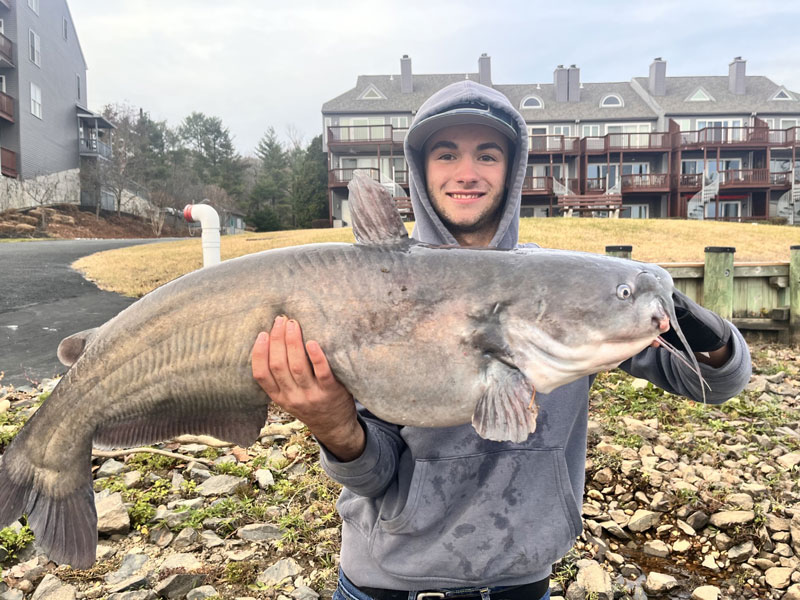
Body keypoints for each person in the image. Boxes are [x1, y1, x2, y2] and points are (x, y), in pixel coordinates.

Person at [251, 81, 752, 600]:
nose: (466, 173)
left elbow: (718, 382)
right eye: (447, 154)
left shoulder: (568, 287)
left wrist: (676, 312)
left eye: (487, 155)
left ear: (513, 169)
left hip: (521, 580)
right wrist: (333, 426)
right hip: (388, 584)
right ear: (420, 170)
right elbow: (374, 475)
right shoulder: (368, 291)